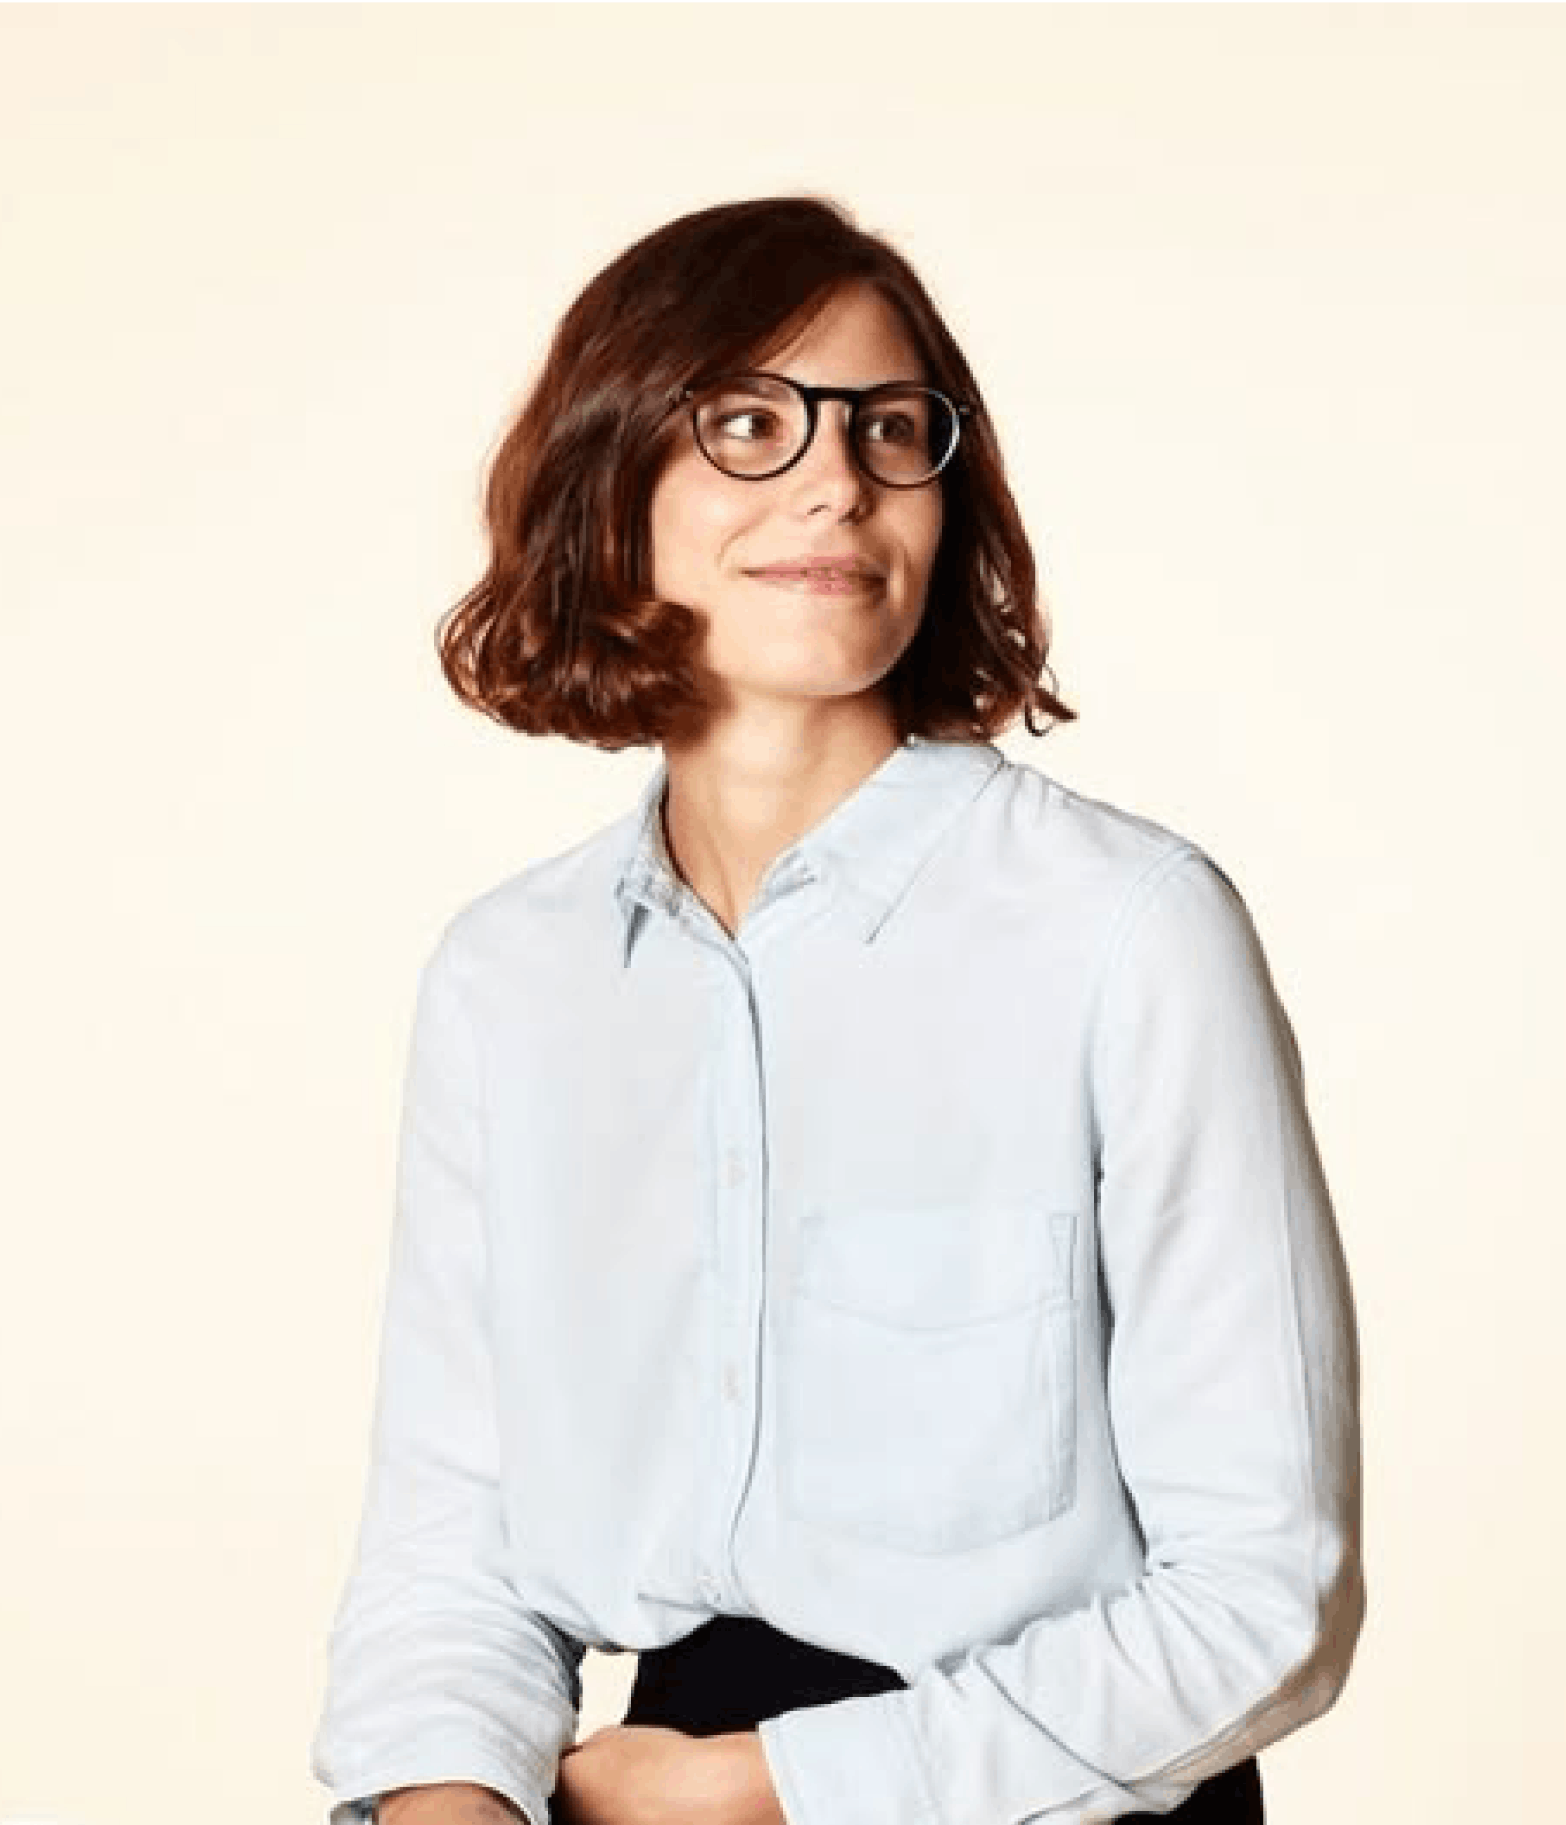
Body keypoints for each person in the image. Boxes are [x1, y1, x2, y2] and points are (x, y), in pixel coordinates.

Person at [310, 195, 1365, 1825]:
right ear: (611, 485)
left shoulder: (1122, 930)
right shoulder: (508, 980)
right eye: (745, 422)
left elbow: (1259, 1605)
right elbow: (448, 1548)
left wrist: (765, 1793)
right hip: (645, 1784)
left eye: (888, 430)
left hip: (1046, 1794)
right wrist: (448, 1802)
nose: (833, 481)